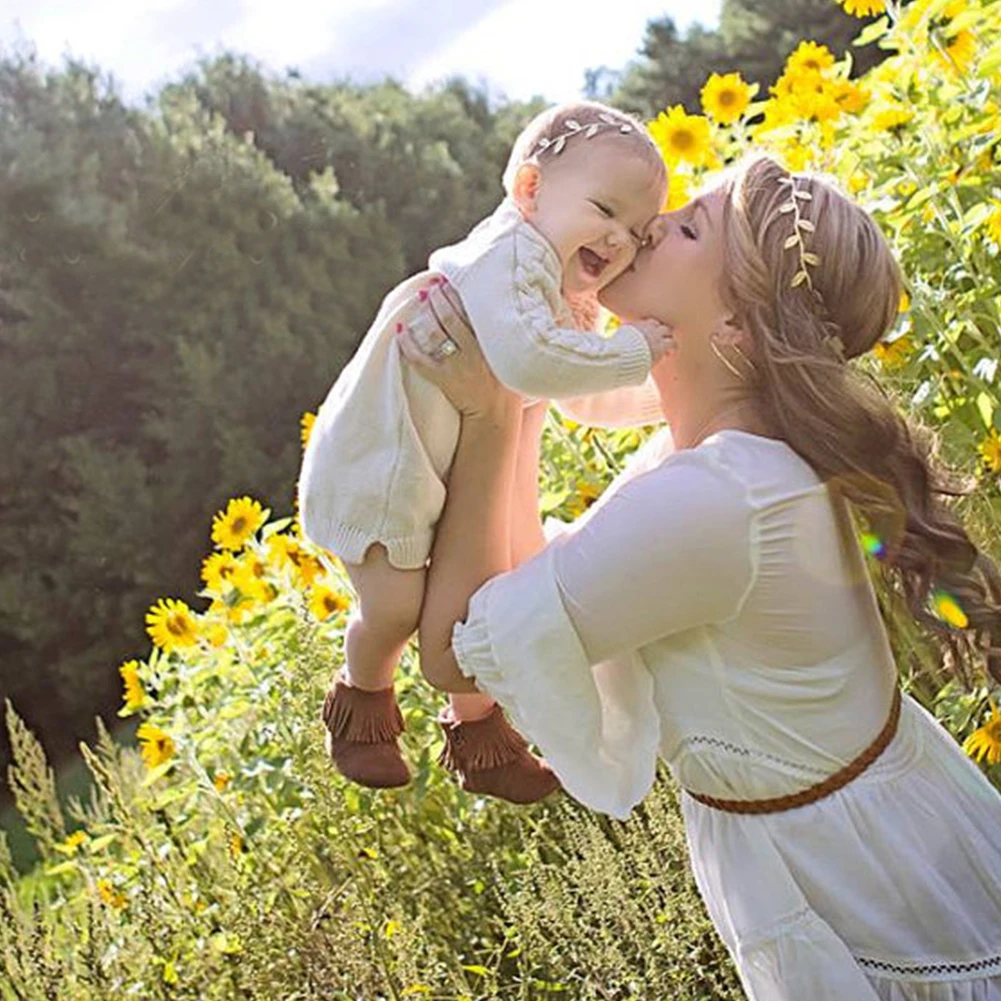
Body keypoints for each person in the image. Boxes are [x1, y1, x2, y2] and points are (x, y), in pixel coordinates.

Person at [396, 153, 1001, 1001]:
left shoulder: (720, 500)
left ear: (736, 329)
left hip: (868, 892)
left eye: (687, 229)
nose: (649, 227)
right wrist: (522, 382)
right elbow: (538, 581)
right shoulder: (708, 466)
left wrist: (483, 407)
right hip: (858, 851)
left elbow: (455, 654)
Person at [298, 100, 672, 802]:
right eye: (604, 209)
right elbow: (532, 363)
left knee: (480, 599)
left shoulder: (553, 286)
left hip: (439, 466)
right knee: (393, 608)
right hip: (379, 472)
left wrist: (667, 394)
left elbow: (579, 394)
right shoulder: (507, 258)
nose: (619, 238)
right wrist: (632, 351)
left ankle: (482, 743)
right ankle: (362, 706)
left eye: (637, 229)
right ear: (530, 190)